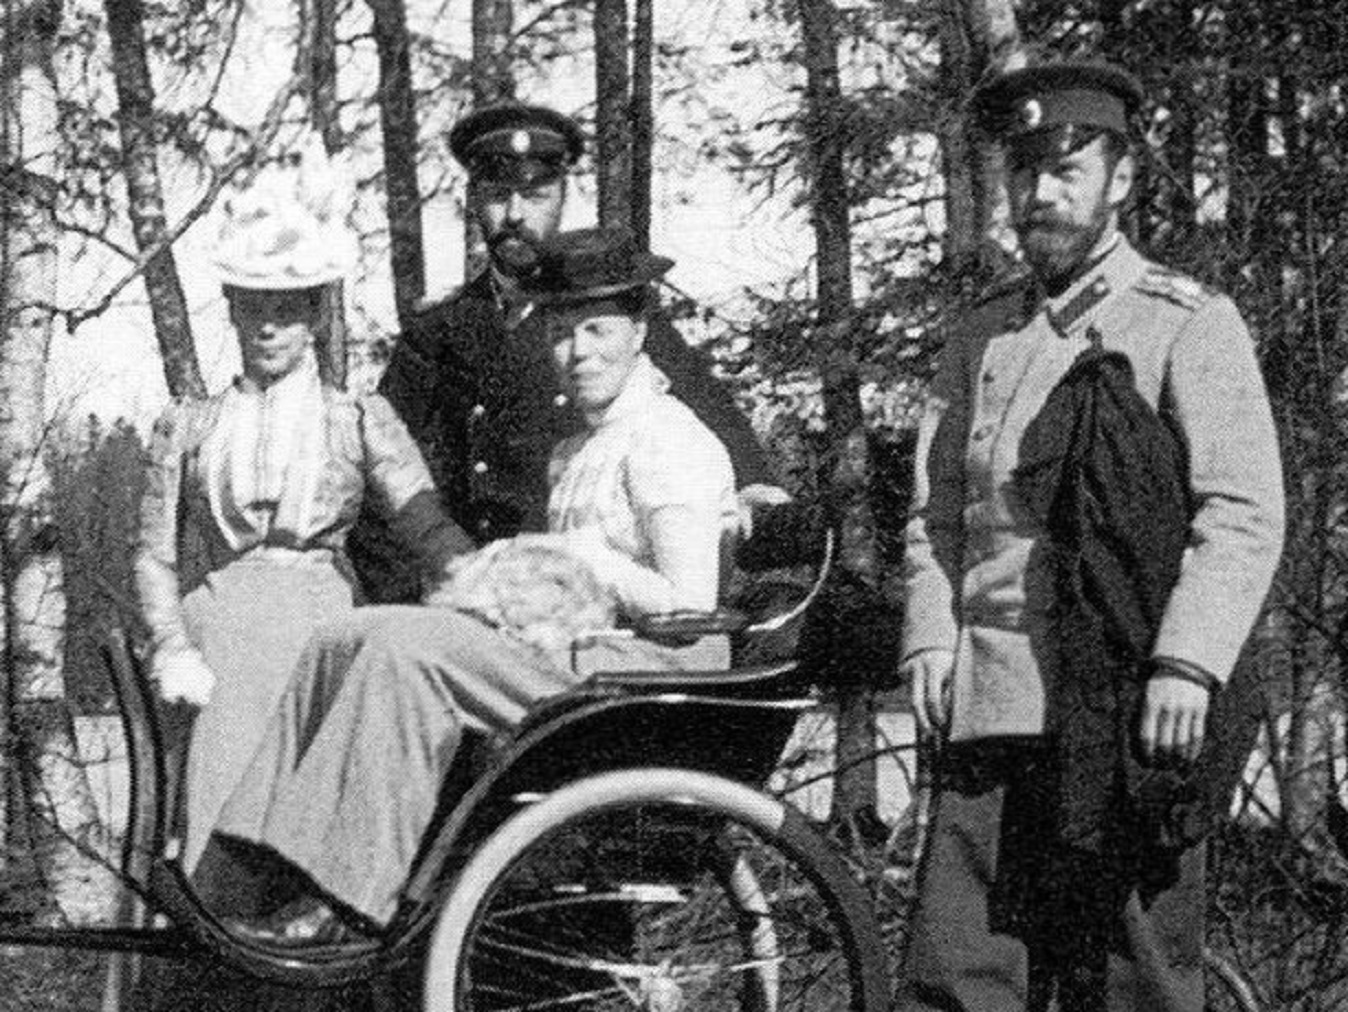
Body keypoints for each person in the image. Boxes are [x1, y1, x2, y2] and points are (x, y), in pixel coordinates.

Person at [213, 226, 739, 945]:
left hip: (643, 677)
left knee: (409, 655)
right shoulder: (584, 443)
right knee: (353, 631)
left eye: (597, 329)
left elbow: (690, 610)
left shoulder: (665, 439)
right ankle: (262, 848)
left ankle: (348, 898)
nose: (578, 352)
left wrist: (582, 553)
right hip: (587, 661)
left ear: (639, 332)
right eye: (561, 333)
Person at [895, 62, 1285, 1012]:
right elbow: (935, 514)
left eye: (1068, 168)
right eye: (1024, 171)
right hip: (990, 709)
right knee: (957, 981)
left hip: (1123, 713)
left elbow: (1241, 511)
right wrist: (931, 635)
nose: (1041, 193)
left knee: (1131, 984)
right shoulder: (981, 335)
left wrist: (1187, 664)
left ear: (1122, 177)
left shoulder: (1187, 325)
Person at [134, 143, 472, 891]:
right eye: (255, 305)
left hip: (324, 635)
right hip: (218, 638)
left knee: (308, 828)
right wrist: (170, 645)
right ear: (231, 306)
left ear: (316, 313)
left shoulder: (357, 418)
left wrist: (484, 584)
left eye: (288, 308)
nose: (270, 326)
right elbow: (153, 555)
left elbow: (424, 523)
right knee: (214, 827)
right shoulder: (187, 425)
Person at [350, 101, 786, 602]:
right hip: (470, 584)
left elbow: (702, 405)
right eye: (496, 196)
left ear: (562, 196)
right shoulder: (436, 334)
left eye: (535, 195)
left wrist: (754, 483)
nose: (515, 215)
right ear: (473, 201)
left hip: (576, 590)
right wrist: (409, 601)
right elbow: (383, 484)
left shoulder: (610, 320)